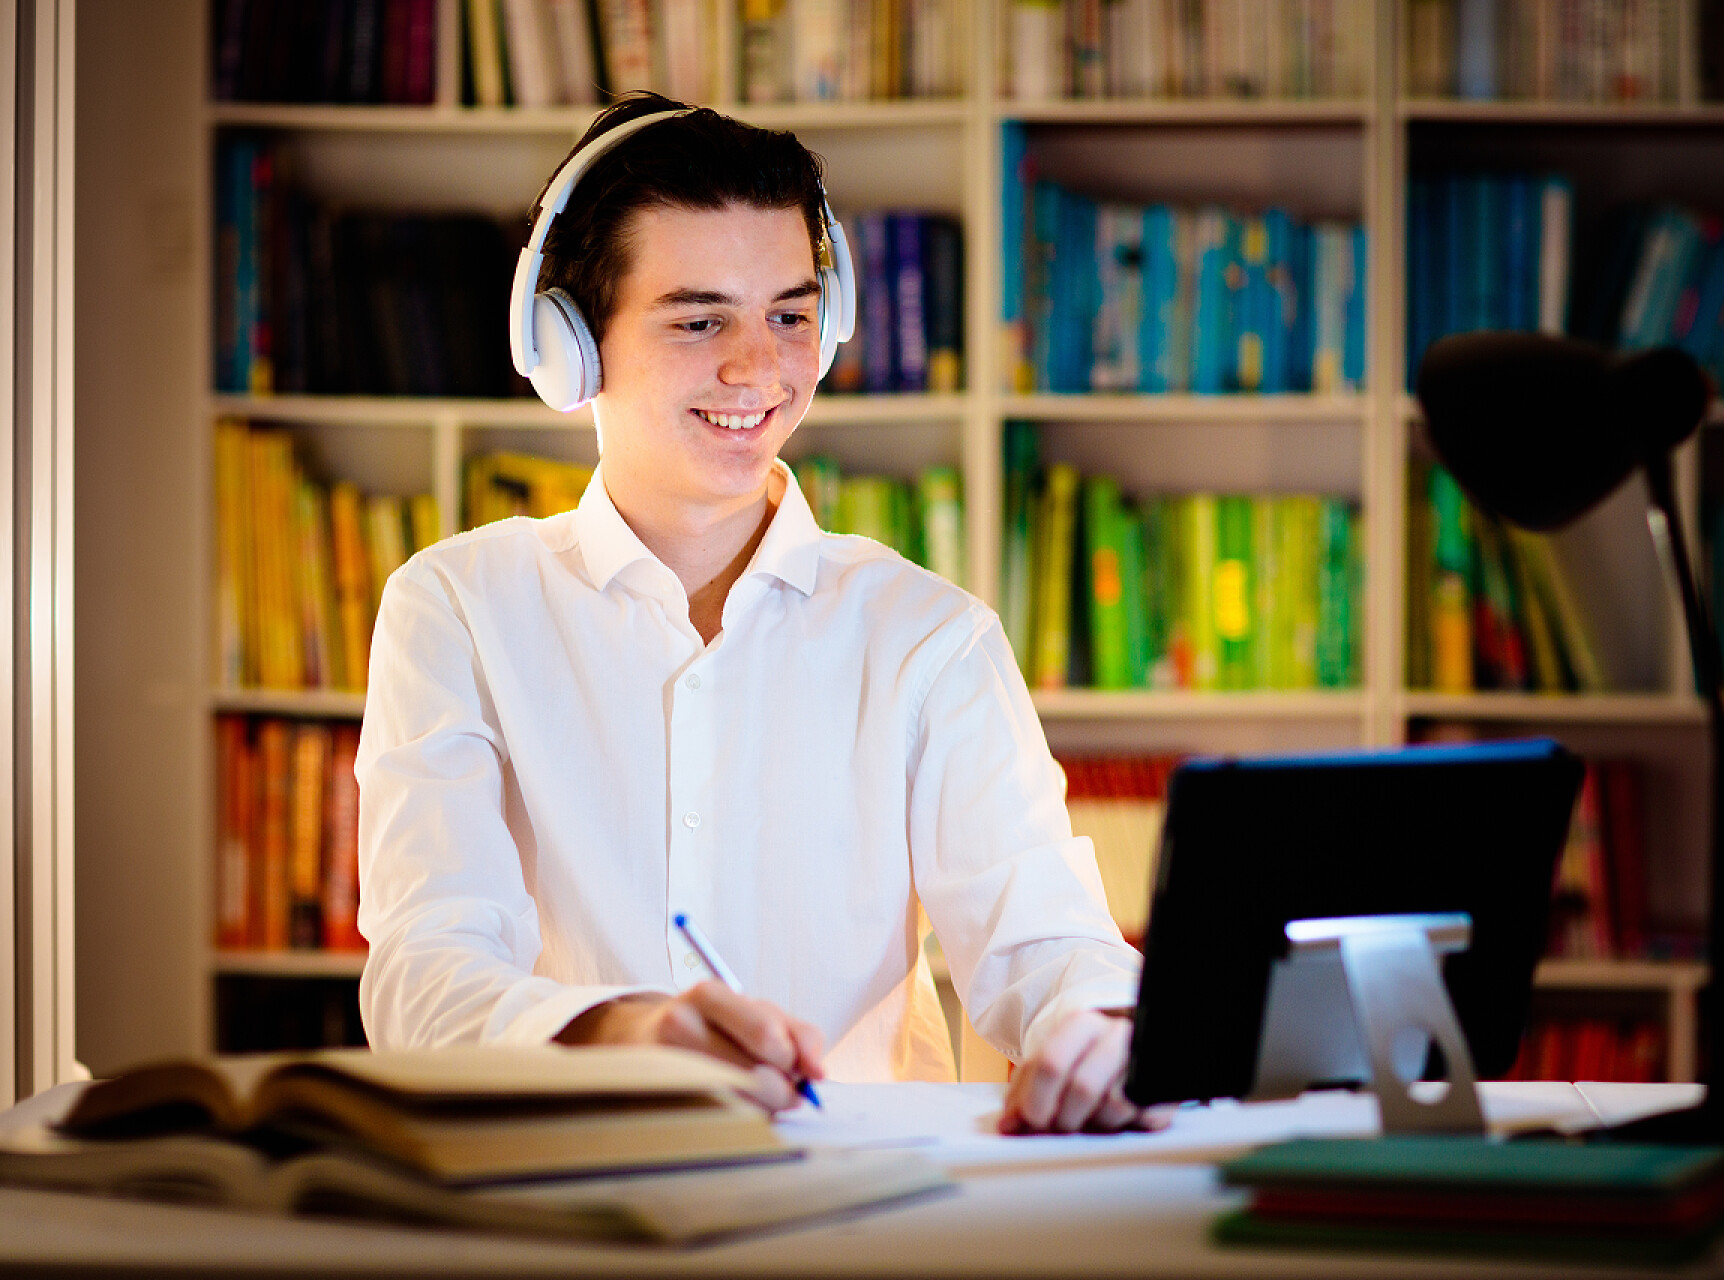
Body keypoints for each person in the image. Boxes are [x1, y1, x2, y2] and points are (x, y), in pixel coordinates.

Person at [356, 94, 1155, 1135]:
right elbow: (422, 980)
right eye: (700, 320)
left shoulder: (931, 637)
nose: (759, 366)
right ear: (571, 346)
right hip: (559, 1196)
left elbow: (1045, 943)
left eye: (790, 312)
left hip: (862, 1210)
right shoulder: (456, 608)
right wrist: (623, 1034)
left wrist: (1098, 1022)